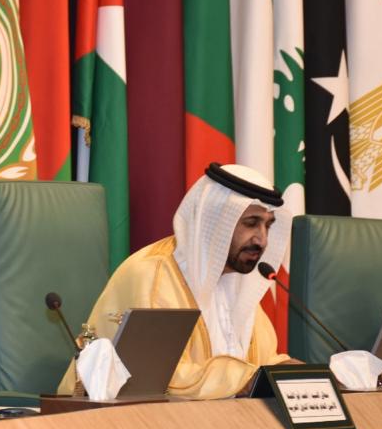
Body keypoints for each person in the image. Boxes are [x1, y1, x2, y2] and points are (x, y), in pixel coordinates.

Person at [62, 163, 294, 399]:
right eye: (251, 223)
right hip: (118, 417)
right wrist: (243, 380)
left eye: (268, 225)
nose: (262, 240)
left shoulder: (240, 284)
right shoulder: (154, 273)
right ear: (216, 220)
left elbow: (257, 362)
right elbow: (156, 375)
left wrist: (286, 370)